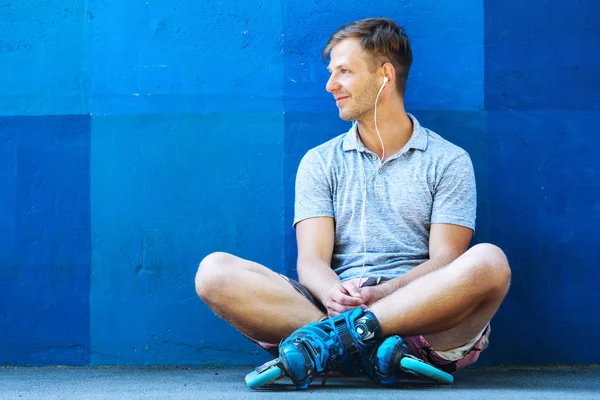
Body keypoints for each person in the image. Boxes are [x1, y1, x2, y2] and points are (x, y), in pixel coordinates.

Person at [195, 17, 510, 388]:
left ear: (385, 75)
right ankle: (372, 353)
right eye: (332, 72)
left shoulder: (448, 160)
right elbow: (311, 259)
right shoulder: (320, 161)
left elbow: (446, 261)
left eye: (344, 71)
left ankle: (332, 345)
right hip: (328, 309)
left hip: (422, 322)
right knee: (214, 272)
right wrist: (332, 293)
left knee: (490, 261)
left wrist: (387, 293)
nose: (331, 85)